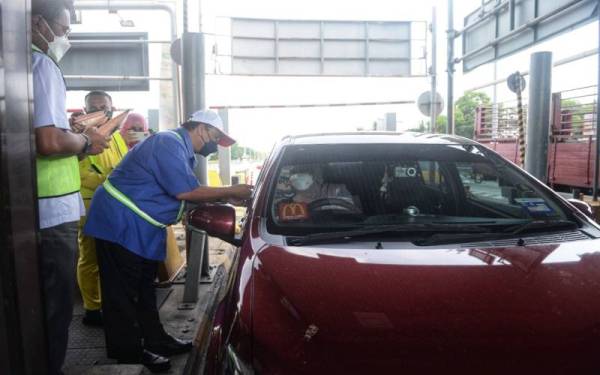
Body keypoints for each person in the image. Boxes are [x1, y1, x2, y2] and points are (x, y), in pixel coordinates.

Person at [83, 110, 253, 372]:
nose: (215, 145)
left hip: (140, 226)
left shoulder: (179, 150)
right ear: (201, 129)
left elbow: (185, 193)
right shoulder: (168, 143)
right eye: (216, 138)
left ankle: (156, 339)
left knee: (143, 289)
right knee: (123, 294)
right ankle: (129, 354)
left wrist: (222, 198)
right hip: (119, 222)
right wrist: (231, 191)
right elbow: (185, 191)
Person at [31, 1, 109, 374]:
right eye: (62, 28)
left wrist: (71, 134)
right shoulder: (41, 65)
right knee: (55, 306)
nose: (65, 37)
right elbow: (46, 142)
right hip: (51, 211)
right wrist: (84, 142)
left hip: (36, 207)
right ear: (37, 24)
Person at [72, 91, 128, 327]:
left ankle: (112, 303)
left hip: (115, 203)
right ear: (84, 112)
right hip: (90, 203)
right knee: (90, 257)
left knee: (114, 256)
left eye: (103, 108)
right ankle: (92, 309)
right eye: (92, 108)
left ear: (112, 109)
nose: (99, 112)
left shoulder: (116, 136)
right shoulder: (78, 137)